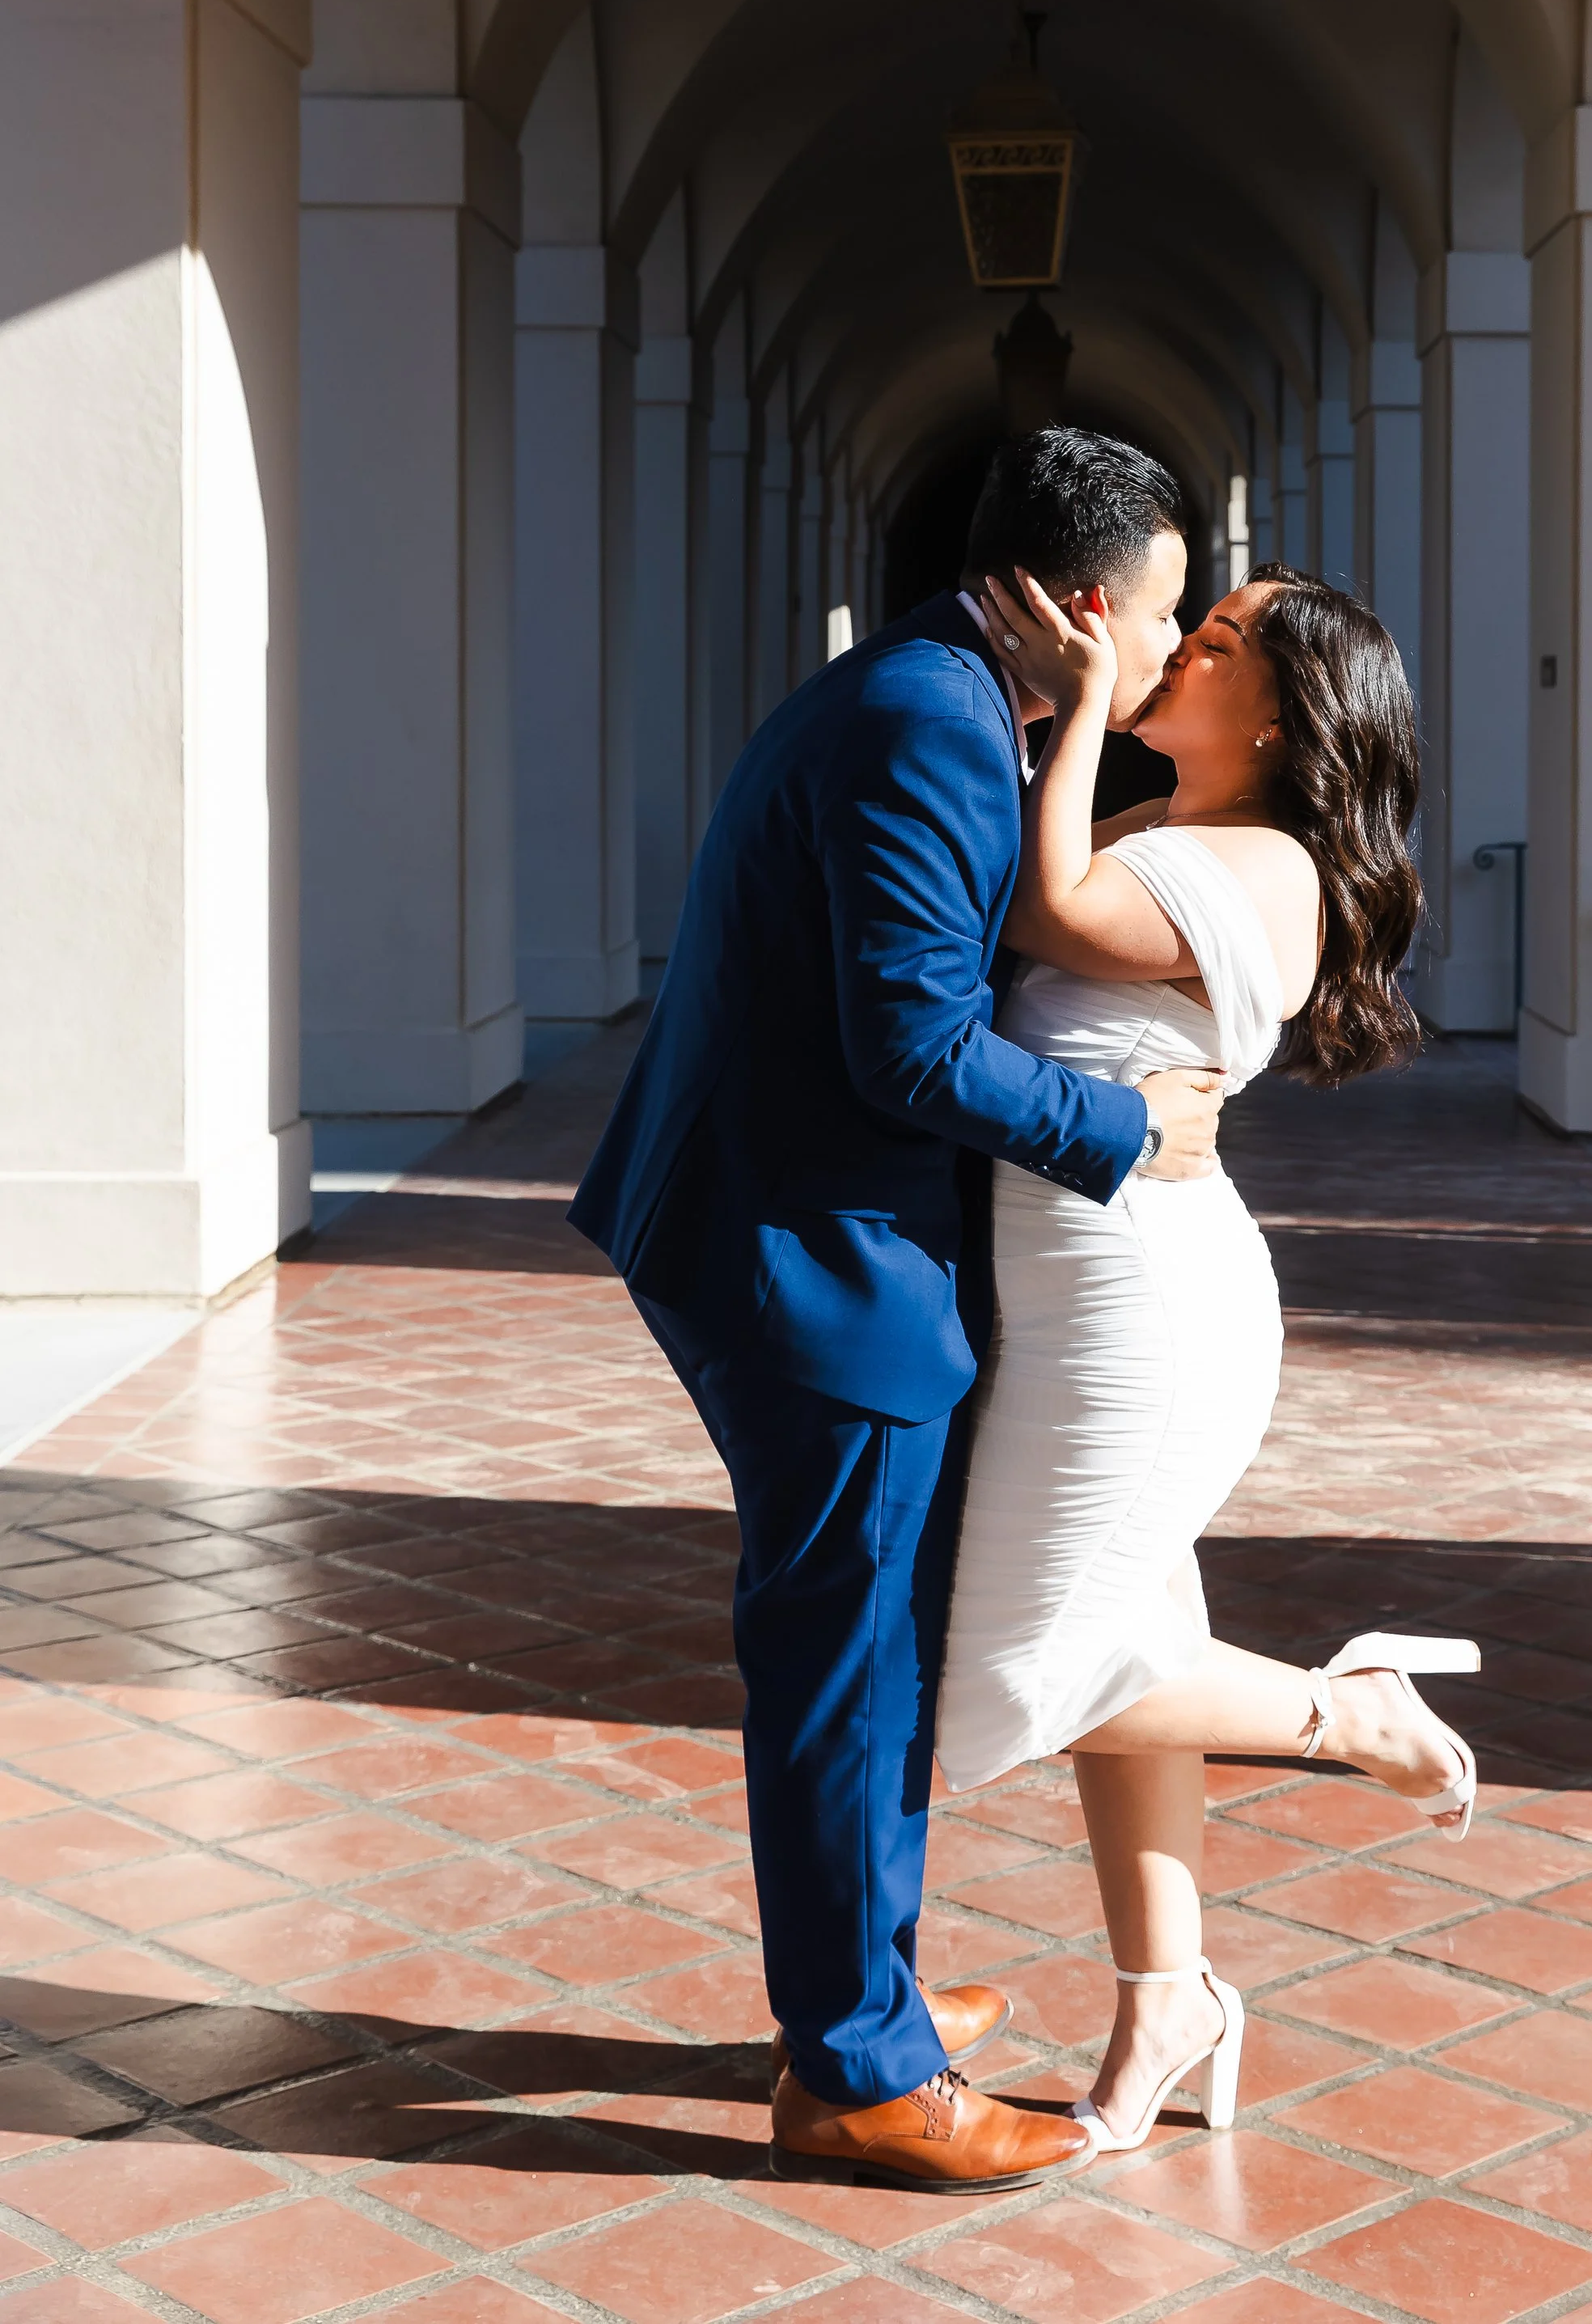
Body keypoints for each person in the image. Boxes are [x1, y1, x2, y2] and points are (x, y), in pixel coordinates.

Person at [569, 429, 1226, 2193]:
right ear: (1089, 605)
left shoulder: (930, 693)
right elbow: (912, 1045)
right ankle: (856, 2072)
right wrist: (1126, 1130)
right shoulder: (925, 723)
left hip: (799, 1224)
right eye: (1165, 615)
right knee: (847, 1663)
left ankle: (864, 1998)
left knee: (874, 1653)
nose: (1172, 652)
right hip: (805, 1254)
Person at [938, 557, 1481, 2153]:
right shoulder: (1183, 835)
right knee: (1123, 1647)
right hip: (1090, 1290)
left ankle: (1348, 1715)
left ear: (1283, 708)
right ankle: (1163, 1997)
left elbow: (1038, 912)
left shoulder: (1247, 859)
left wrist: (1083, 693)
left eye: (1220, 637)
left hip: (1139, 1310)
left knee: (1029, 1668)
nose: (1179, 645)